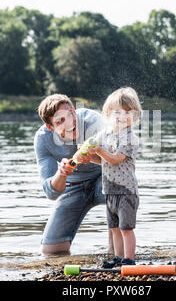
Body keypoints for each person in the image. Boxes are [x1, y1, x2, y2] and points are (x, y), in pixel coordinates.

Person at [34, 94, 112, 255]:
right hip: (73, 186)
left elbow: (121, 162)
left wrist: (95, 156)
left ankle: (116, 251)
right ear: (50, 127)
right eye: (60, 121)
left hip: (104, 177)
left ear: (74, 111)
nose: (69, 123)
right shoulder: (43, 139)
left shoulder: (94, 121)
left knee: (117, 186)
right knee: (51, 251)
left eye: (69, 115)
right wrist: (62, 174)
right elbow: (51, 192)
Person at [87, 87, 141, 268]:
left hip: (126, 191)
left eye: (128, 113)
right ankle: (118, 258)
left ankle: (129, 259)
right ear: (108, 114)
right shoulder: (106, 135)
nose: (122, 116)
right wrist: (88, 155)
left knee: (126, 228)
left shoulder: (129, 137)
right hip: (110, 190)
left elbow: (116, 159)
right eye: (117, 112)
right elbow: (104, 161)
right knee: (115, 228)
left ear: (134, 117)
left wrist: (99, 150)